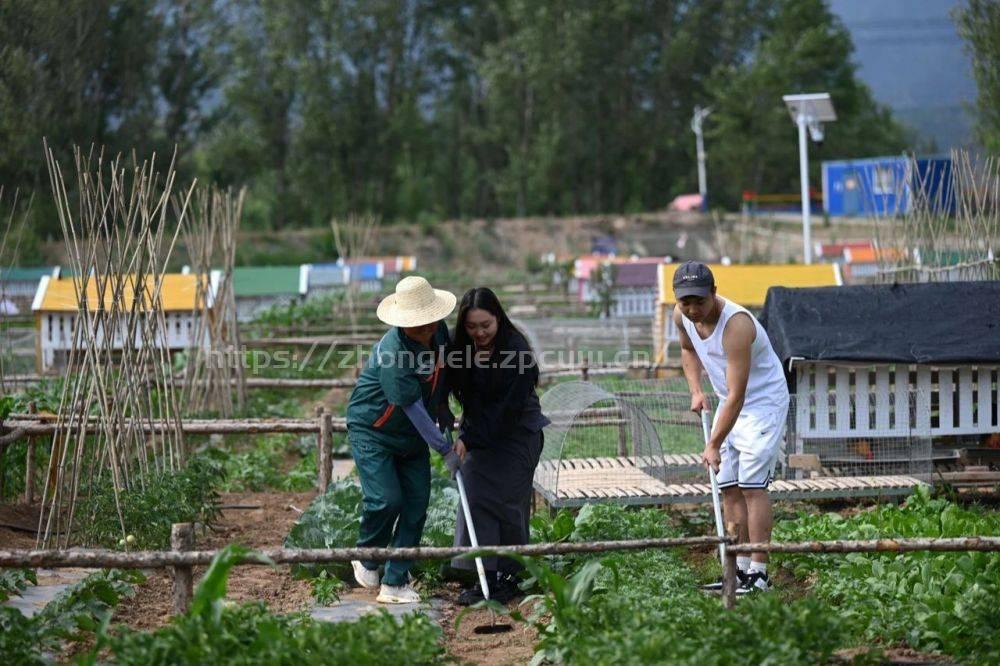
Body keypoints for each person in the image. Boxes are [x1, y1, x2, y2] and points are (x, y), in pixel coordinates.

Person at [672, 261, 789, 594]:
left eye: (699, 300)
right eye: (686, 302)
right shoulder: (681, 317)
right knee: (729, 488)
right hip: (729, 402)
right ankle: (735, 571)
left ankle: (759, 573)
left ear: (714, 292)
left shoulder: (737, 325)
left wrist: (713, 443)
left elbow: (738, 395)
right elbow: (687, 349)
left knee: (752, 488)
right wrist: (696, 390)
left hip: (761, 403)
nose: (693, 309)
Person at [346, 276, 462, 604]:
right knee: (386, 500)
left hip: (410, 435)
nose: (428, 329)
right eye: (419, 325)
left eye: (430, 322)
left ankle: (395, 582)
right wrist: (444, 449)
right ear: (403, 322)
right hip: (374, 430)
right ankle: (367, 556)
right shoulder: (392, 354)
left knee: (416, 505)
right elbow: (411, 407)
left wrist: (441, 405)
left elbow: (439, 372)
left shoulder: (438, 333)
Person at [445, 287, 550, 605]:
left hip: (517, 435)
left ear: (498, 319)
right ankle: (483, 575)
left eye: (485, 325)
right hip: (479, 431)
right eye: (471, 326)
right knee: (474, 496)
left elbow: (506, 413)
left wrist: (468, 438)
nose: (479, 333)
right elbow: (445, 383)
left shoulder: (515, 351)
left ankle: (509, 577)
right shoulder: (459, 348)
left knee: (508, 504)